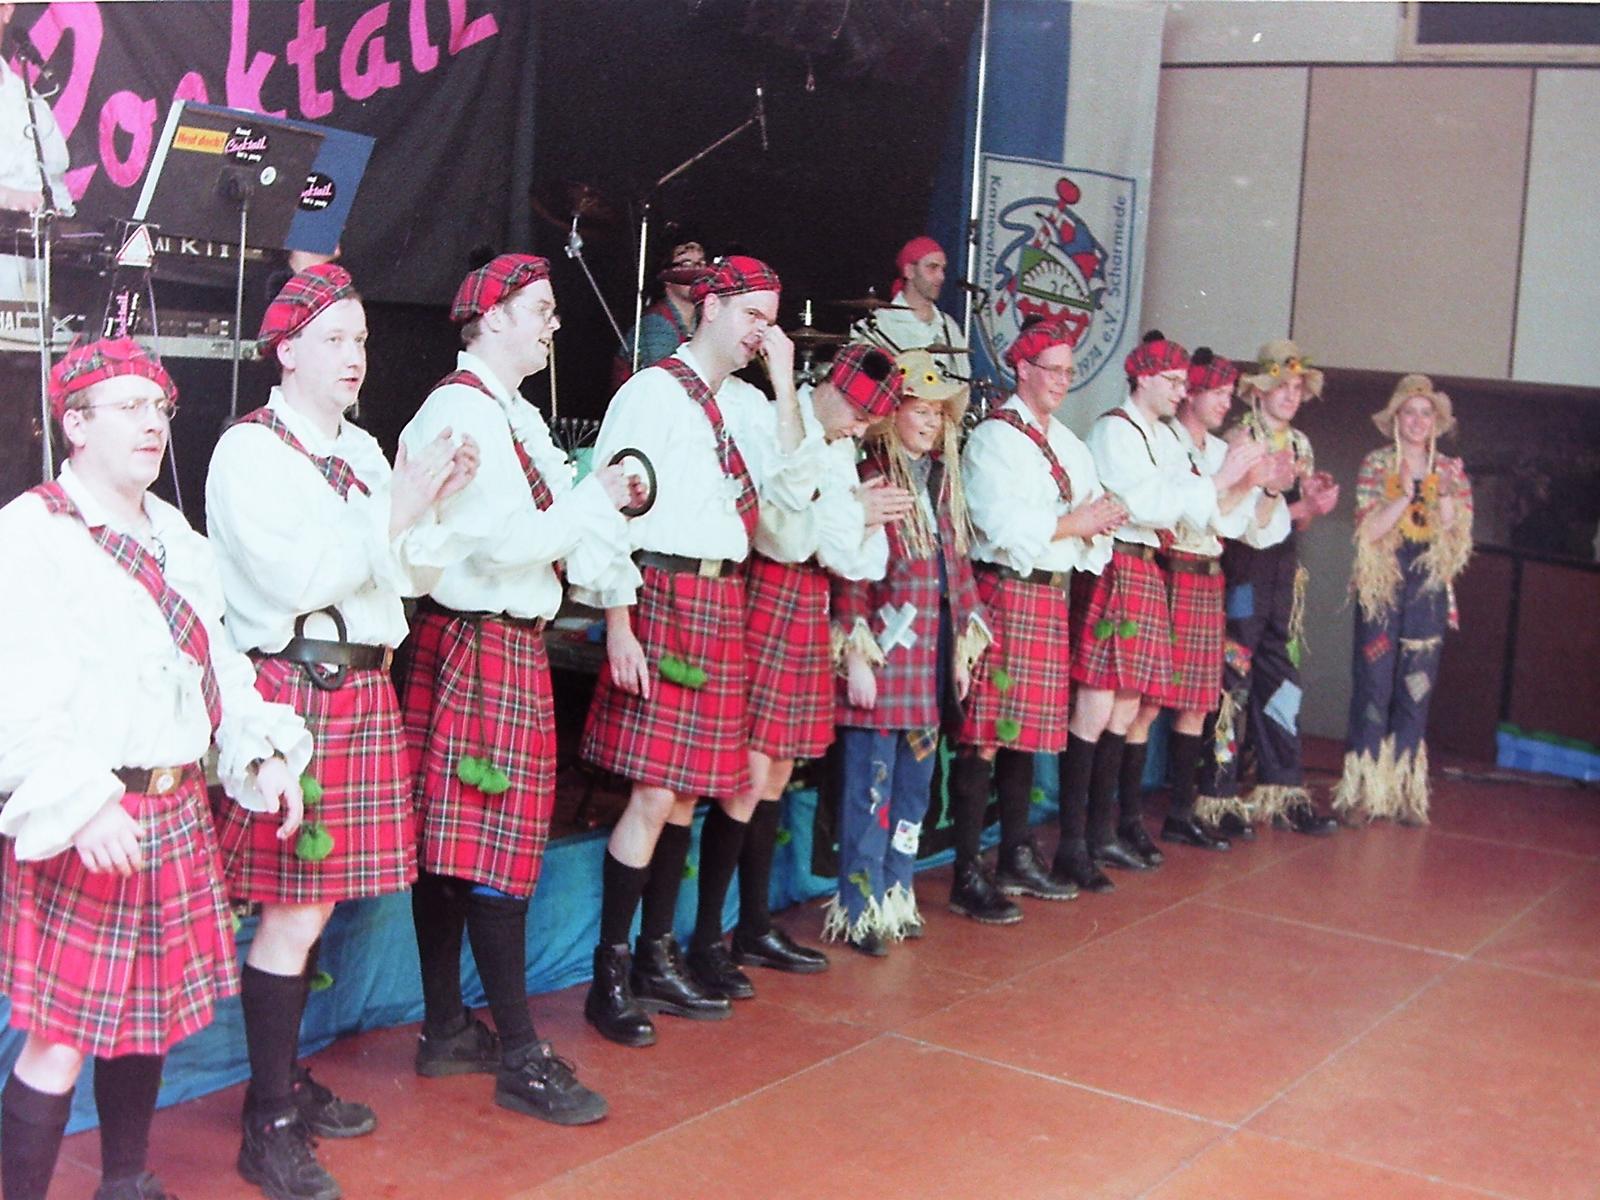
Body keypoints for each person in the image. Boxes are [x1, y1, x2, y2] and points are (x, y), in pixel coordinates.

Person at [0, 339, 309, 1200]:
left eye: (159, 408)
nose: (152, 424)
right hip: (92, 812)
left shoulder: (175, 536)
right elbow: (13, 691)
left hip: (175, 807)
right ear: (75, 425)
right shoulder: (31, 534)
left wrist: (262, 751)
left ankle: (126, 1182)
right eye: (128, 407)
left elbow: (219, 668)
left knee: (144, 1018)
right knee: (60, 1039)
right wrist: (82, 802)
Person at [205, 264, 476, 1200]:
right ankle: (267, 1121)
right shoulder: (249, 451)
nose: (355, 355)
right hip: (296, 689)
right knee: (293, 908)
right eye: (334, 340)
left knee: (316, 904)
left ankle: (282, 1083)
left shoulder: (361, 449)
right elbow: (294, 580)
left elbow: (402, 577)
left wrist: (434, 504)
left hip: (362, 686)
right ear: (286, 351)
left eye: (360, 340)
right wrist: (394, 514)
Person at [397, 253, 635, 1123]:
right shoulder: (462, 411)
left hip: (497, 643)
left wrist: (597, 517)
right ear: (492, 316)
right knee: (491, 847)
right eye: (540, 309)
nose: (553, 325)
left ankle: (447, 1029)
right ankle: (521, 1055)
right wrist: (595, 499)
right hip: (480, 638)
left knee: (464, 845)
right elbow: (506, 544)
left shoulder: (512, 413)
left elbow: (555, 524)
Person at [576, 255, 813, 1047]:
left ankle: (656, 954)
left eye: (770, 320)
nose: (760, 333)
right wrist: (618, 621)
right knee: (653, 797)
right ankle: (610, 978)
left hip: (721, 597)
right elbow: (609, 509)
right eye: (752, 316)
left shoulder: (747, 403)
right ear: (709, 308)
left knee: (683, 797)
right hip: (663, 593)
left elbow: (790, 496)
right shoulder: (652, 393)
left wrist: (786, 386)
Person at [685, 342, 913, 996]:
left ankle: (753, 926)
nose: (861, 431)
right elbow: (780, 532)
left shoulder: (838, 449)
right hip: (769, 591)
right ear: (833, 392)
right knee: (749, 775)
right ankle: (707, 939)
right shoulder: (780, 426)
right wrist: (849, 517)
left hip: (809, 598)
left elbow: (856, 560)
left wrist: (851, 521)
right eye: (860, 417)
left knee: (778, 772)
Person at [1061, 332, 1262, 891]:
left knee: (1125, 707)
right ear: (1143, 377)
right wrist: (1221, 481)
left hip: (1147, 566)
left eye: (1182, 383)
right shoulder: (1114, 430)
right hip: (1120, 563)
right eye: (1173, 381)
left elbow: (1194, 511)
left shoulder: (1162, 437)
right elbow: (1143, 503)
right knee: (1097, 708)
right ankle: (1074, 842)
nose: (1180, 390)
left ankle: (1101, 832)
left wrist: (1237, 484)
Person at [954, 318, 1121, 922]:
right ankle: (966, 872)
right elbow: (998, 523)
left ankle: (1015, 856)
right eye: (1052, 369)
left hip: (1049, 596)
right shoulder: (994, 438)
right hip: (1006, 590)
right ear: (1022, 369)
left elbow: (1092, 521)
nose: (1063, 381)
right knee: (987, 734)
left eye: (1069, 371)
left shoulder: (1070, 444)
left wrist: (1097, 523)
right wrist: (1076, 524)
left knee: (1023, 734)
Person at [828, 350, 992, 952]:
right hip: (882, 660)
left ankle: (898, 893)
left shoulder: (943, 484)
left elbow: (959, 573)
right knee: (868, 790)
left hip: (928, 665)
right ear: (892, 413)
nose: (930, 422)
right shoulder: (872, 477)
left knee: (915, 791)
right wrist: (855, 655)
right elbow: (852, 571)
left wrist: (962, 652)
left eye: (938, 413)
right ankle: (860, 905)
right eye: (919, 410)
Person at [1132, 348, 1291, 852]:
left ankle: (1181, 814)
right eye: (1217, 393)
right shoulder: (1167, 442)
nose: (1225, 403)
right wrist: (1234, 485)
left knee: (1199, 703)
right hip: (1170, 570)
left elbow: (1245, 527)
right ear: (1192, 395)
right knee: (1145, 702)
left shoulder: (1221, 450)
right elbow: (1189, 514)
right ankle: (1126, 820)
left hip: (1208, 577)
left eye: (1228, 394)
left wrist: (1265, 489)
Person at [1195, 340, 1341, 839]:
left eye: (1297, 387)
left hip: (1283, 572)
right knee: (1232, 675)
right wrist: (1292, 504)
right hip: (1244, 570)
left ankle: (1282, 787)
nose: (1291, 394)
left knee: (1283, 677)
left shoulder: (1300, 444)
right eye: (1282, 386)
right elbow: (1240, 520)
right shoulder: (1240, 438)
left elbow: (1294, 522)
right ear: (1259, 391)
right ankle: (1217, 792)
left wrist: (1313, 504)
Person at [1332, 374, 1472, 826]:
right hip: (1383, 584)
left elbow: (1455, 534)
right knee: (1373, 686)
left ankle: (1403, 789)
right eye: (1409, 412)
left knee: (1417, 688)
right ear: (1396, 419)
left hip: (1426, 588)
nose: (1417, 420)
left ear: (1436, 422)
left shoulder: (1449, 469)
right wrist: (1405, 495)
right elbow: (1367, 532)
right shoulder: (1377, 464)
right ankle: (1363, 790)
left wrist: (1443, 493)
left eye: (1425, 413)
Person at [850, 236, 967, 376]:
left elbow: (963, 379)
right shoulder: (877, 326)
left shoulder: (949, 326)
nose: (941, 277)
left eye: (943, 269)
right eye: (932, 267)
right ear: (909, 271)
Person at [613, 234, 707, 386]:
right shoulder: (656, 327)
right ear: (666, 276)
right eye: (686, 264)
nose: (696, 272)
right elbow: (663, 385)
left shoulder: (700, 319)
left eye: (700, 263)